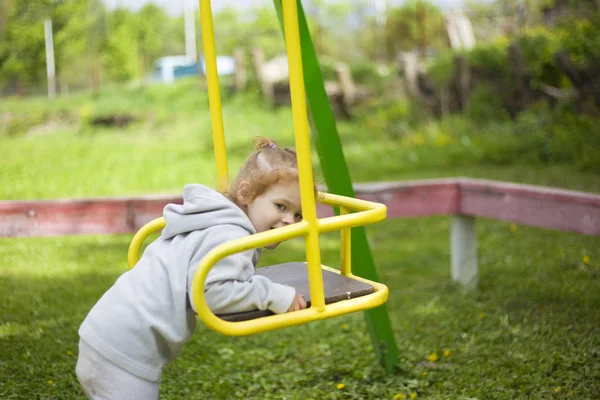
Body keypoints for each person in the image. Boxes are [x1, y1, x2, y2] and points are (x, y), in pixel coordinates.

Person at [76, 137, 308, 399]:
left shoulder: (215, 220)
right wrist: (276, 295)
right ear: (246, 194)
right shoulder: (230, 236)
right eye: (281, 206)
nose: (290, 220)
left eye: (298, 214)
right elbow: (216, 294)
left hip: (109, 335)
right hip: (123, 351)